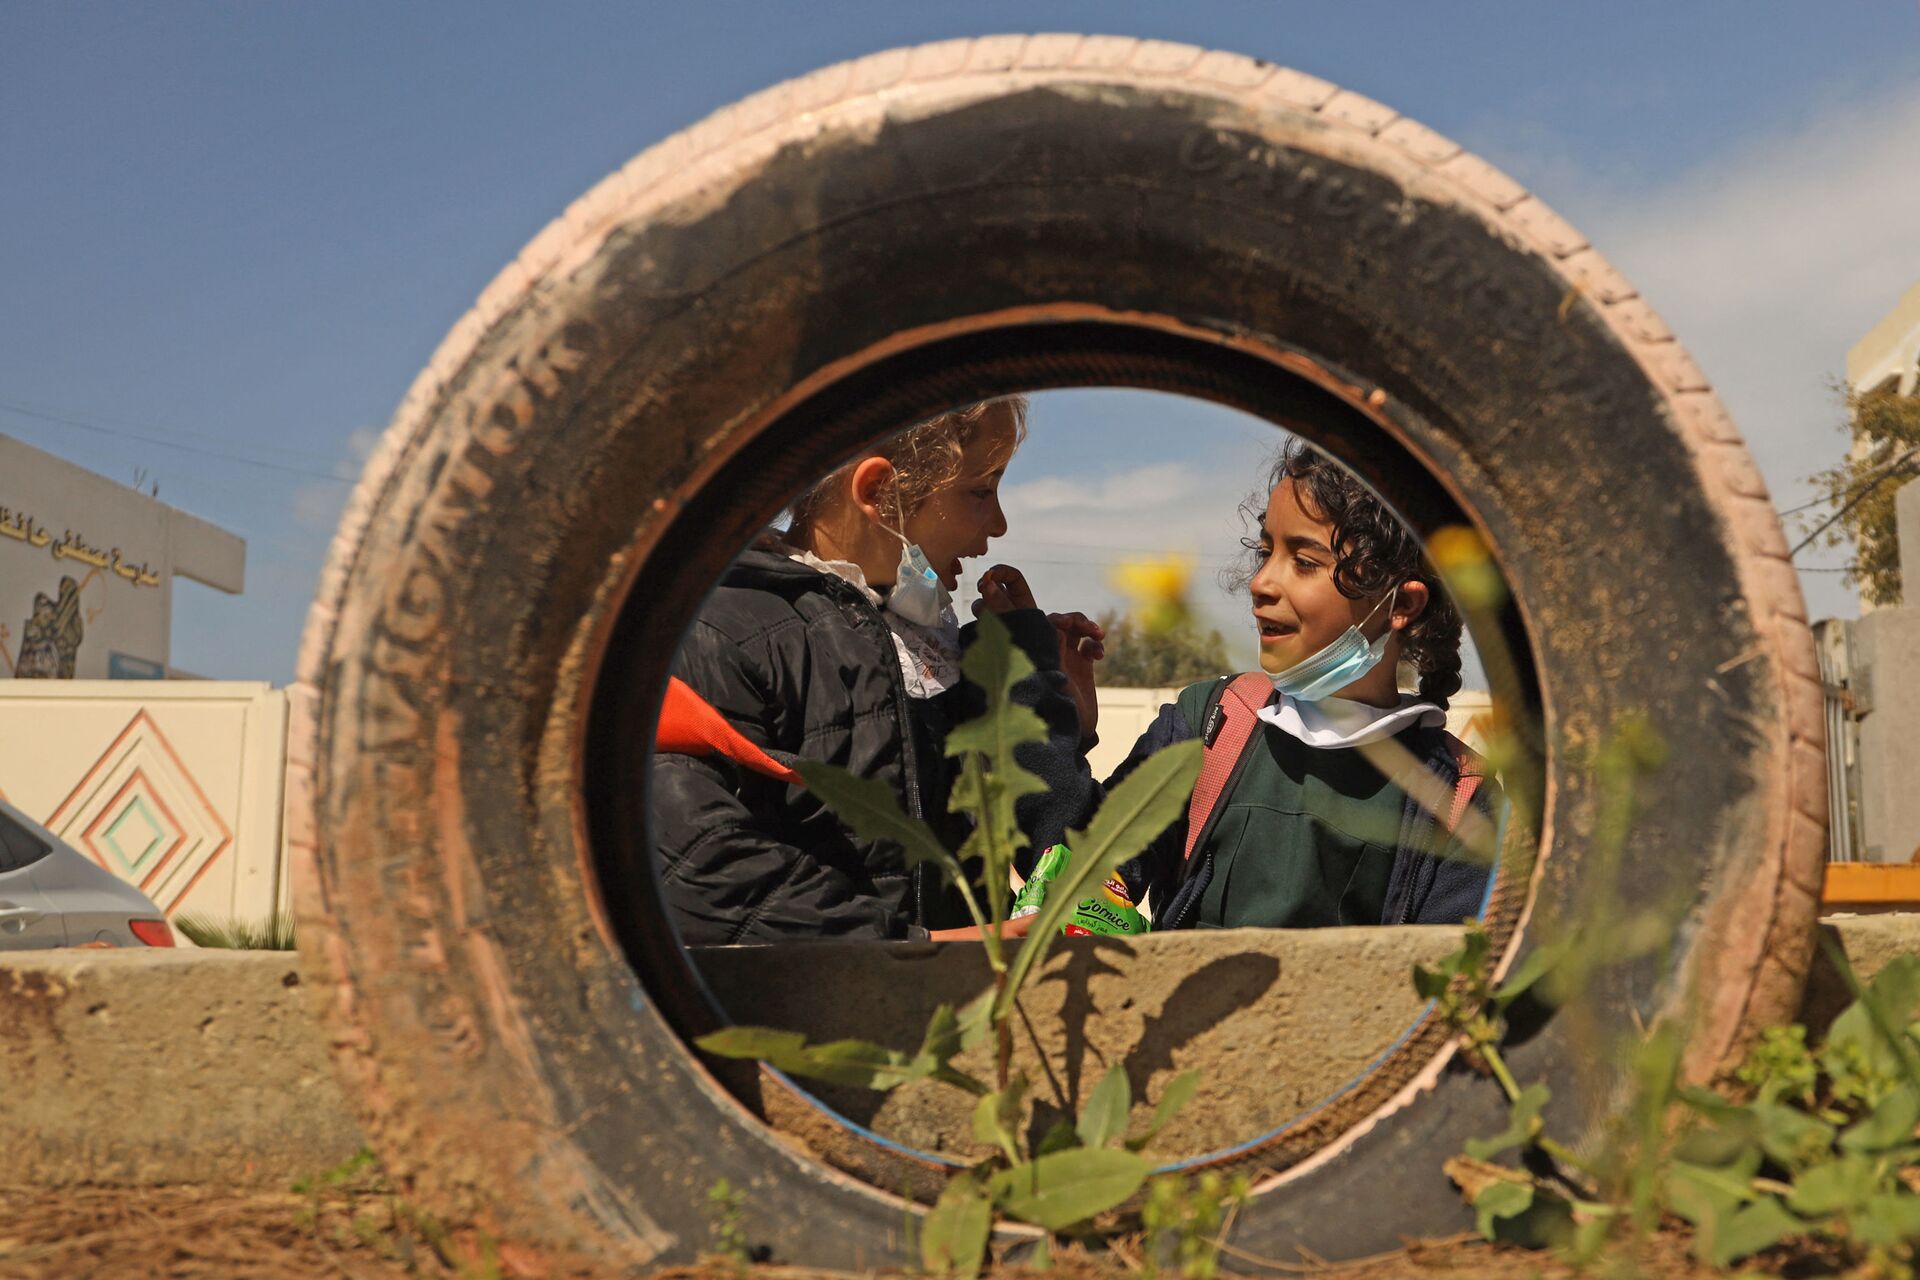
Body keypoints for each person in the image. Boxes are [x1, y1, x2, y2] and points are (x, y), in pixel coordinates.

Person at [652, 397, 1103, 945]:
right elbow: (690, 864)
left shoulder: (933, 651)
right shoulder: (727, 632)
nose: (1001, 525)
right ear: (878, 493)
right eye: (981, 491)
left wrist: (1030, 679)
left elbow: (1054, 838)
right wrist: (918, 948)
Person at [1109, 441, 1500, 931]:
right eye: (1265, 551)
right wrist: (1061, 720)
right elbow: (1090, 866)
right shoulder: (1208, 724)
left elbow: (1451, 986)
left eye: (1305, 562)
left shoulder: (1460, 802)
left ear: (1402, 605)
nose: (1262, 583)